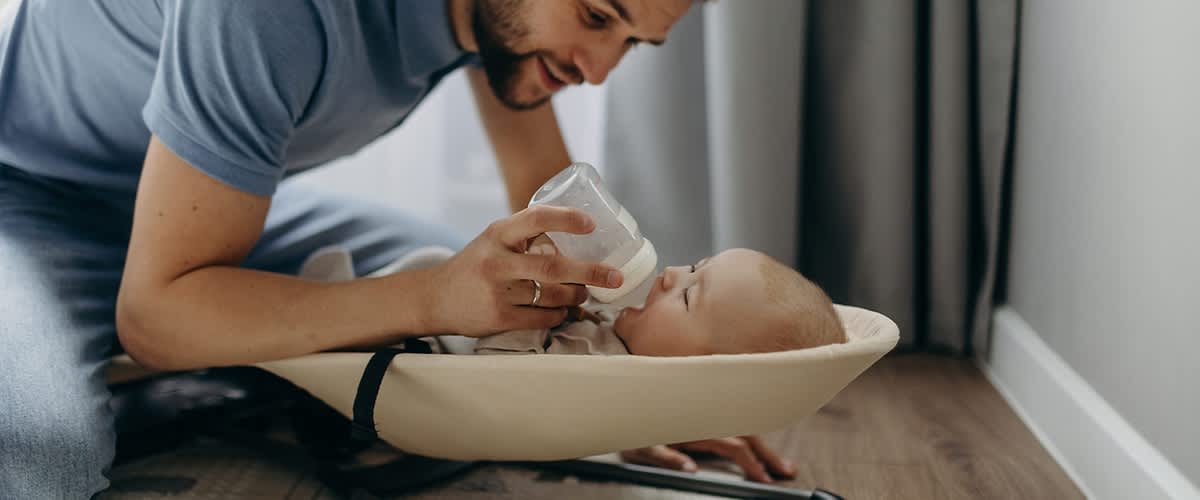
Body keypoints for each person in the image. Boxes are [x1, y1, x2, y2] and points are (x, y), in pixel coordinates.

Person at [0, 0, 788, 495]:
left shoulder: (494, 22)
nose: (598, 71)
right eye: (594, 15)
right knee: (47, 464)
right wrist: (428, 298)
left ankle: (244, 379)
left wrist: (617, 390)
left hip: (220, 209)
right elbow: (155, 320)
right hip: (30, 194)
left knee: (485, 295)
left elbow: (555, 226)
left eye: (634, 43)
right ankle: (222, 386)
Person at [474, 248, 847, 356]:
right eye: (692, 266)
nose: (670, 273)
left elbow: (502, 379)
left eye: (687, 295)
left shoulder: (599, 379)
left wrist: (532, 312)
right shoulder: (618, 342)